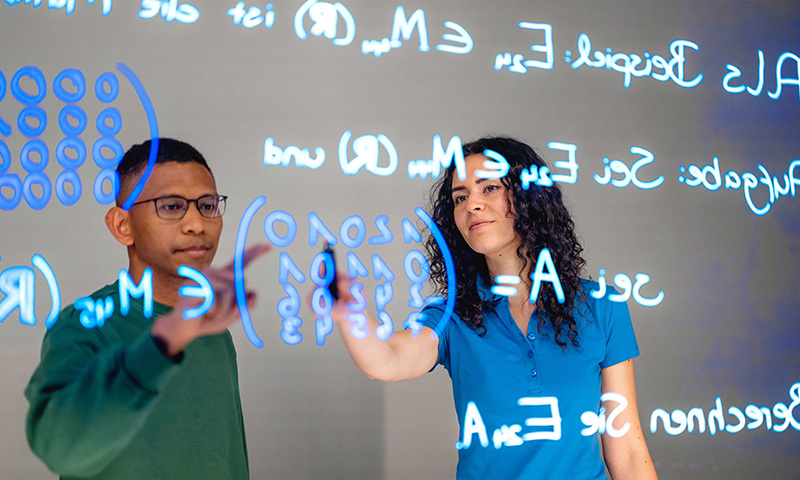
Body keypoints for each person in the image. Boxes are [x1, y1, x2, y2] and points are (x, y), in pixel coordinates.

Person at [328, 136, 657, 479]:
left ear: (530, 196)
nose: (471, 205)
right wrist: (351, 317)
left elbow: (629, 452)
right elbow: (387, 360)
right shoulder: (452, 317)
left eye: (489, 188)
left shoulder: (602, 306)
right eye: (460, 197)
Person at [25, 138, 268, 479]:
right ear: (122, 226)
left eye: (208, 206)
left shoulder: (215, 333)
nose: (196, 223)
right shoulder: (84, 324)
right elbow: (60, 450)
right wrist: (161, 345)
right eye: (171, 206)